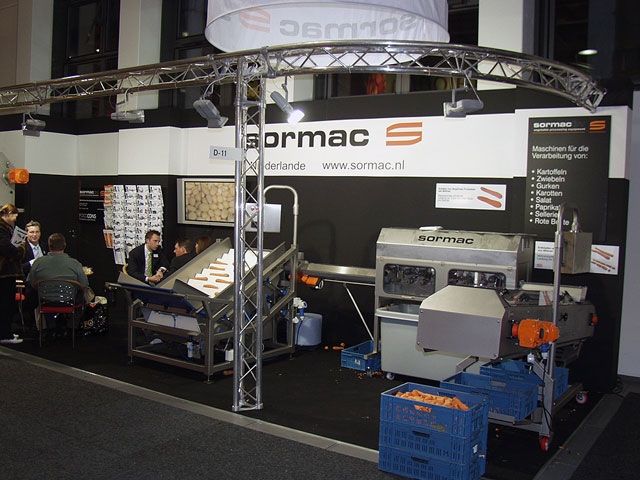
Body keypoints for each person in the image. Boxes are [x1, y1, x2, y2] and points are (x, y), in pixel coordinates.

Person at [27, 233, 89, 337]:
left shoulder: (38, 263)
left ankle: (50, 327)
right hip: (70, 301)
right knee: (83, 294)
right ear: (64, 245)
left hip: (45, 301)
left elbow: (32, 283)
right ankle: (71, 328)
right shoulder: (75, 264)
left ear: (49, 246)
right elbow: (84, 285)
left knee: (40, 296)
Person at [0, 204, 25, 344]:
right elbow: (8, 249)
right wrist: (21, 249)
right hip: (5, 273)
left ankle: (6, 332)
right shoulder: (2, 229)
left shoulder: (5, 229)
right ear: (8, 213)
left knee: (7, 304)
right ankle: (4, 334)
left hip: (6, 272)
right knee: (5, 304)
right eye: (14, 215)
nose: (16, 218)